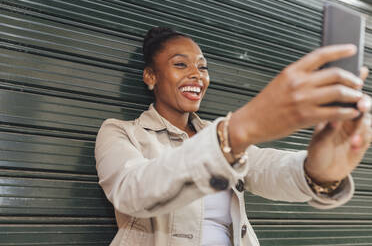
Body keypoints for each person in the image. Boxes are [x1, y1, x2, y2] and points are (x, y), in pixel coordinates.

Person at [95, 27, 372, 246]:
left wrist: (320, 170)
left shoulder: (216, 137)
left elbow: (270, 167)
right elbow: (133, 192)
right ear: (150, 77)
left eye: (202, 67)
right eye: (180, 65)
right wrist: (237, 130)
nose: (196, 75)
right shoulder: (121, 132)